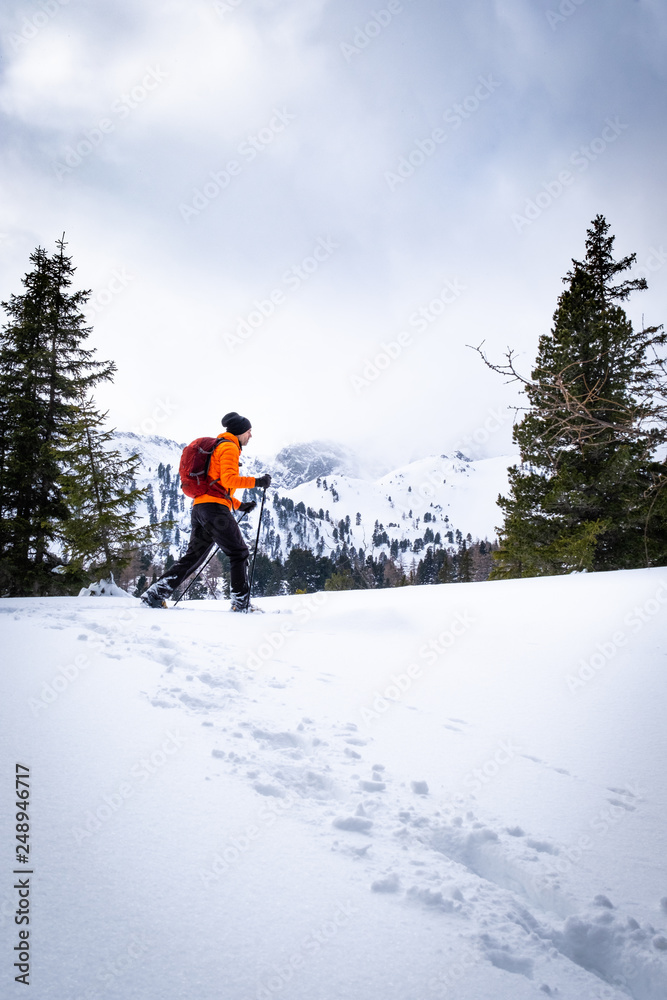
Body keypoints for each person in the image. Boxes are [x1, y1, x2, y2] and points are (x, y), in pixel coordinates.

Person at [141, 411, 271, 611]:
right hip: (214, 510)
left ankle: (155, 594)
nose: (250, 436)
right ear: (240, 432)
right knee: (239, 552)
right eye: (249, 431)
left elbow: (217, 485)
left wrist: (239, 505)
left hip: (201, 508)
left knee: (193, 557)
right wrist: (258, 481)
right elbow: (229, 481)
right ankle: (240, 604)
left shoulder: (220, 446)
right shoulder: (229, 447)